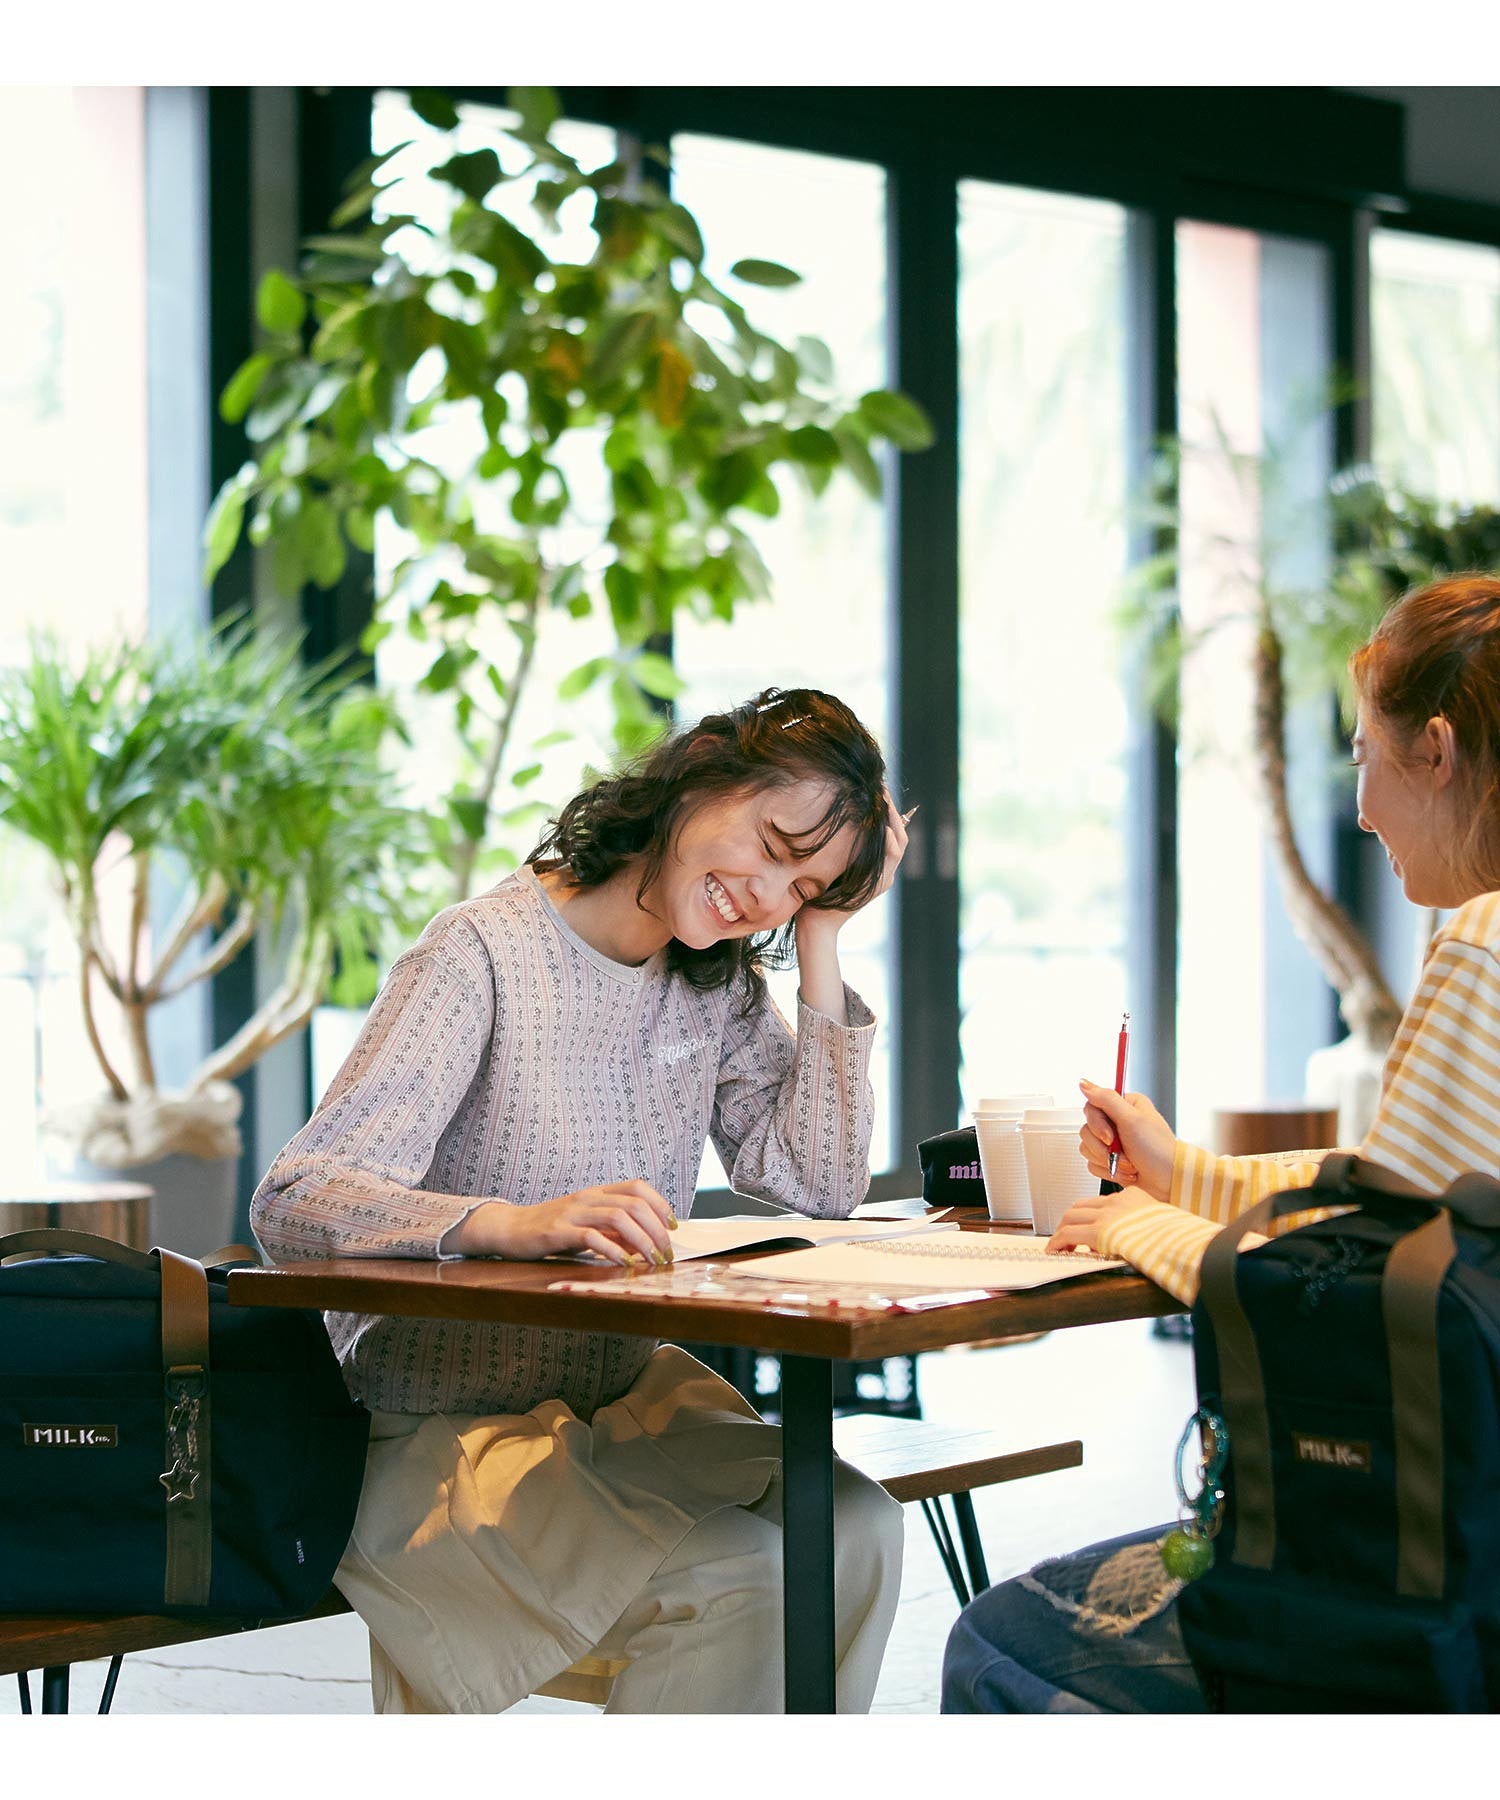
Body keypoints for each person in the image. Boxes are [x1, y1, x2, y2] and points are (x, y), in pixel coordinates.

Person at [251, 686, 910, 1714]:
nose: (769, 896)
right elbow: (295, 1196)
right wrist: (507, 1225)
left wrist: (823, 940)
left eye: (806, 886)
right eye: (774, 845)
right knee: (745, 1576)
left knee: (859, 1529)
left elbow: (815, 1186)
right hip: (432, 1437)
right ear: (699, 772)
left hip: (617, 1410)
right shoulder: (480, 956)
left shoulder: (717, 983)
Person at [942, 572, 1500, 1713]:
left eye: (1364, 757)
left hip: (1451, 1570)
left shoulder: (1486, 946)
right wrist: (1180, 1170)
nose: (1359, 808)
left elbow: (1354, 1296)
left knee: (998, 1645)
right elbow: (1404, 1203)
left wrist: (1146, 1225)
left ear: (1436, 749)